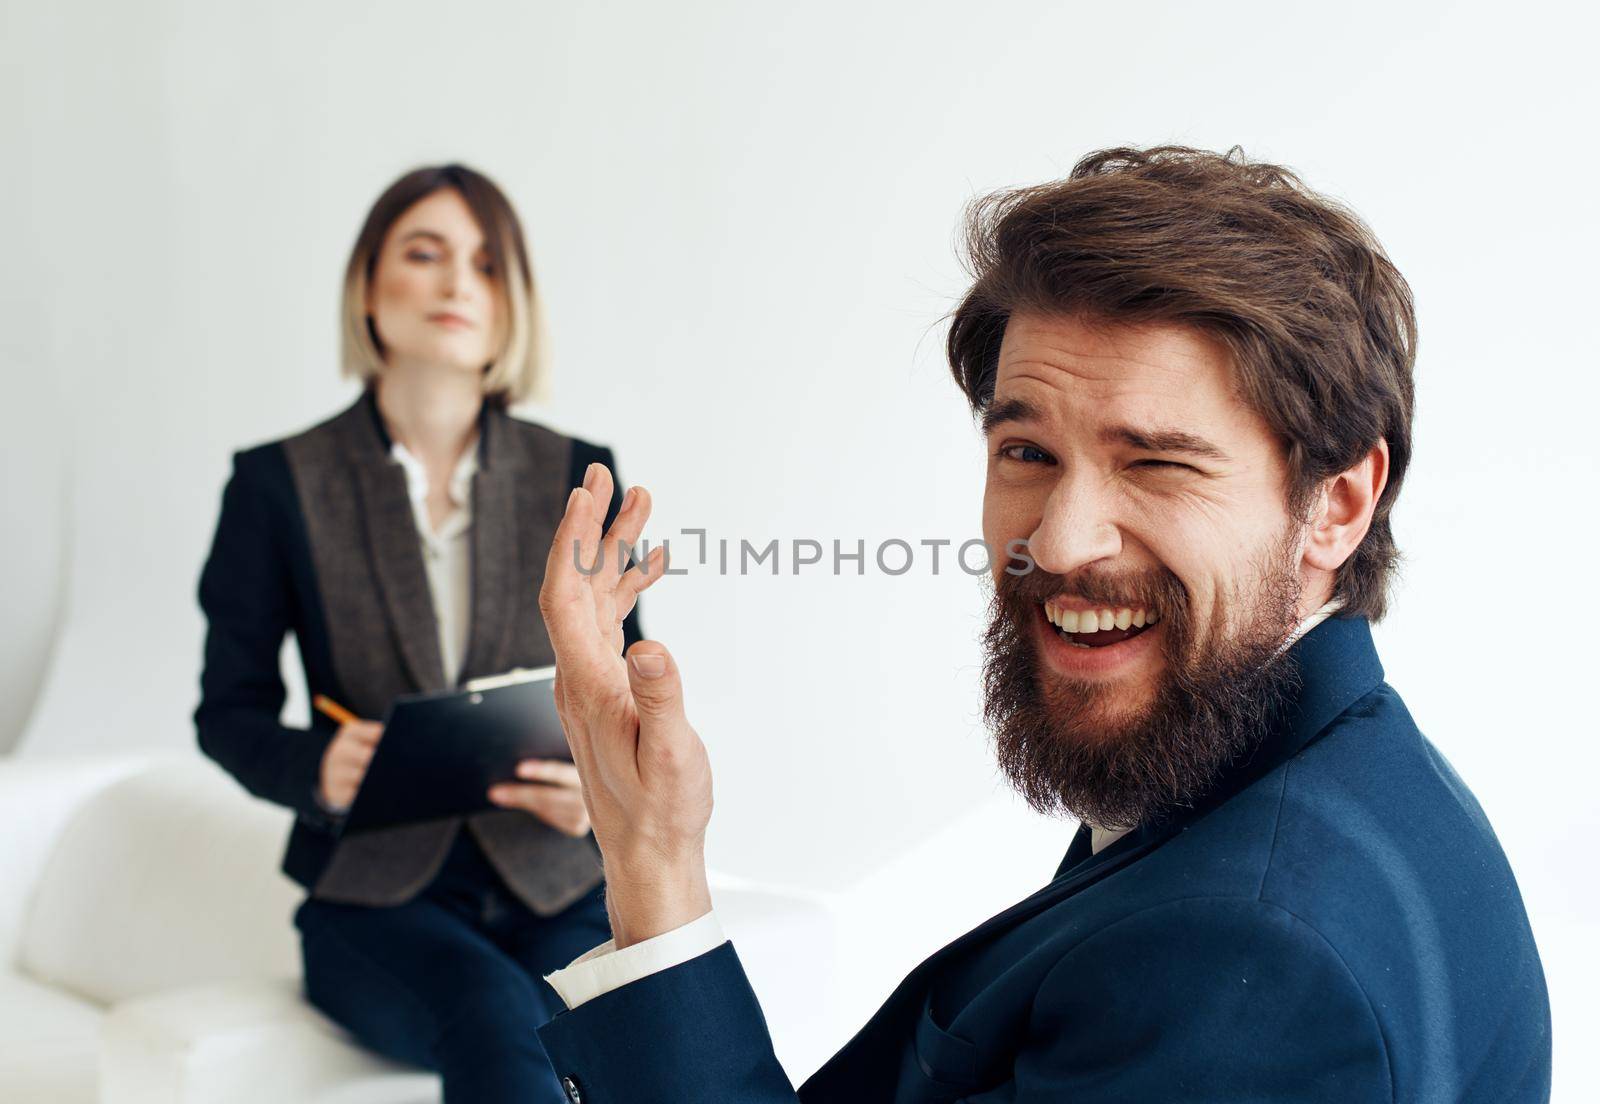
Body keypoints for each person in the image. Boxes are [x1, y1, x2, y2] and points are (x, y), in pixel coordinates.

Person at [529, 147, 1552, 1102]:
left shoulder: (1245, 957)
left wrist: (650, 866)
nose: (1059, 543)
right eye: (1026, 453)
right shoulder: (1323, 765)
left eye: (1155, 461)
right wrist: (649, 845)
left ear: (1334, 505)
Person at [194, 163, 640, 1103]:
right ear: (367, 286)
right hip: (374, 899)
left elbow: (624, 687)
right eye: (424, 255)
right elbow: (226, 711)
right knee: (493, 1012)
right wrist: (317, 768)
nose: (454, 285)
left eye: (484, 265)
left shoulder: (577, 474)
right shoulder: (278, 484)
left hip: (555, 883)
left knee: (604, 1035)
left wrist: (594, 793)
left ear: (510, 300)